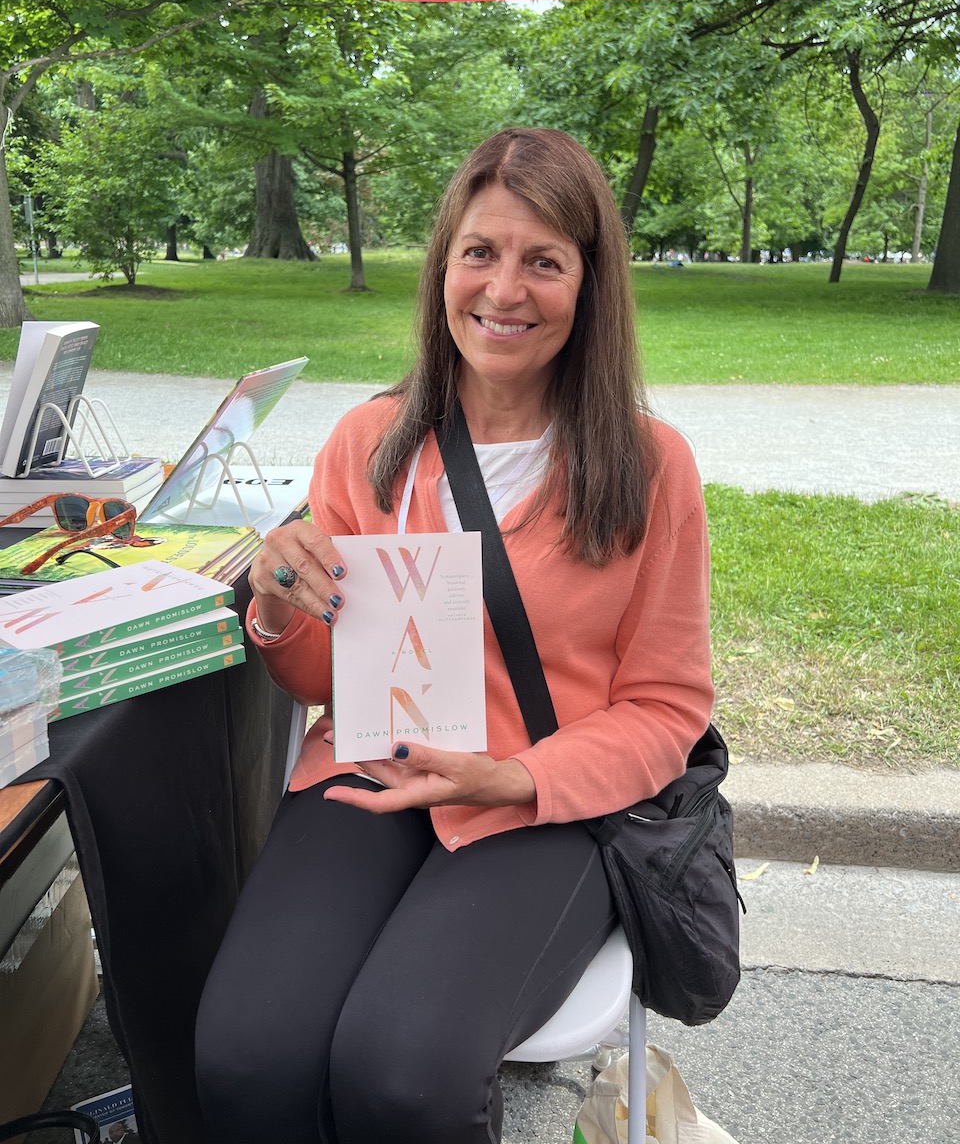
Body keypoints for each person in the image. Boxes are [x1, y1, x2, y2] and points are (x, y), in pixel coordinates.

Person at [194, 127, 714, 1144]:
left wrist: (514, 778)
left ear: (591, 285)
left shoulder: (650, 467)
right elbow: (325, 673)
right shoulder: (371, 442)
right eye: (480, 251)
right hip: (372, 772)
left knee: (404, 1072)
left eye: (543, 261)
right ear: (443, 266)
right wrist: (279, 603)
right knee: (248, 1054)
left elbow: (667, 706)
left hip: (547, 798)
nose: (504, 289)